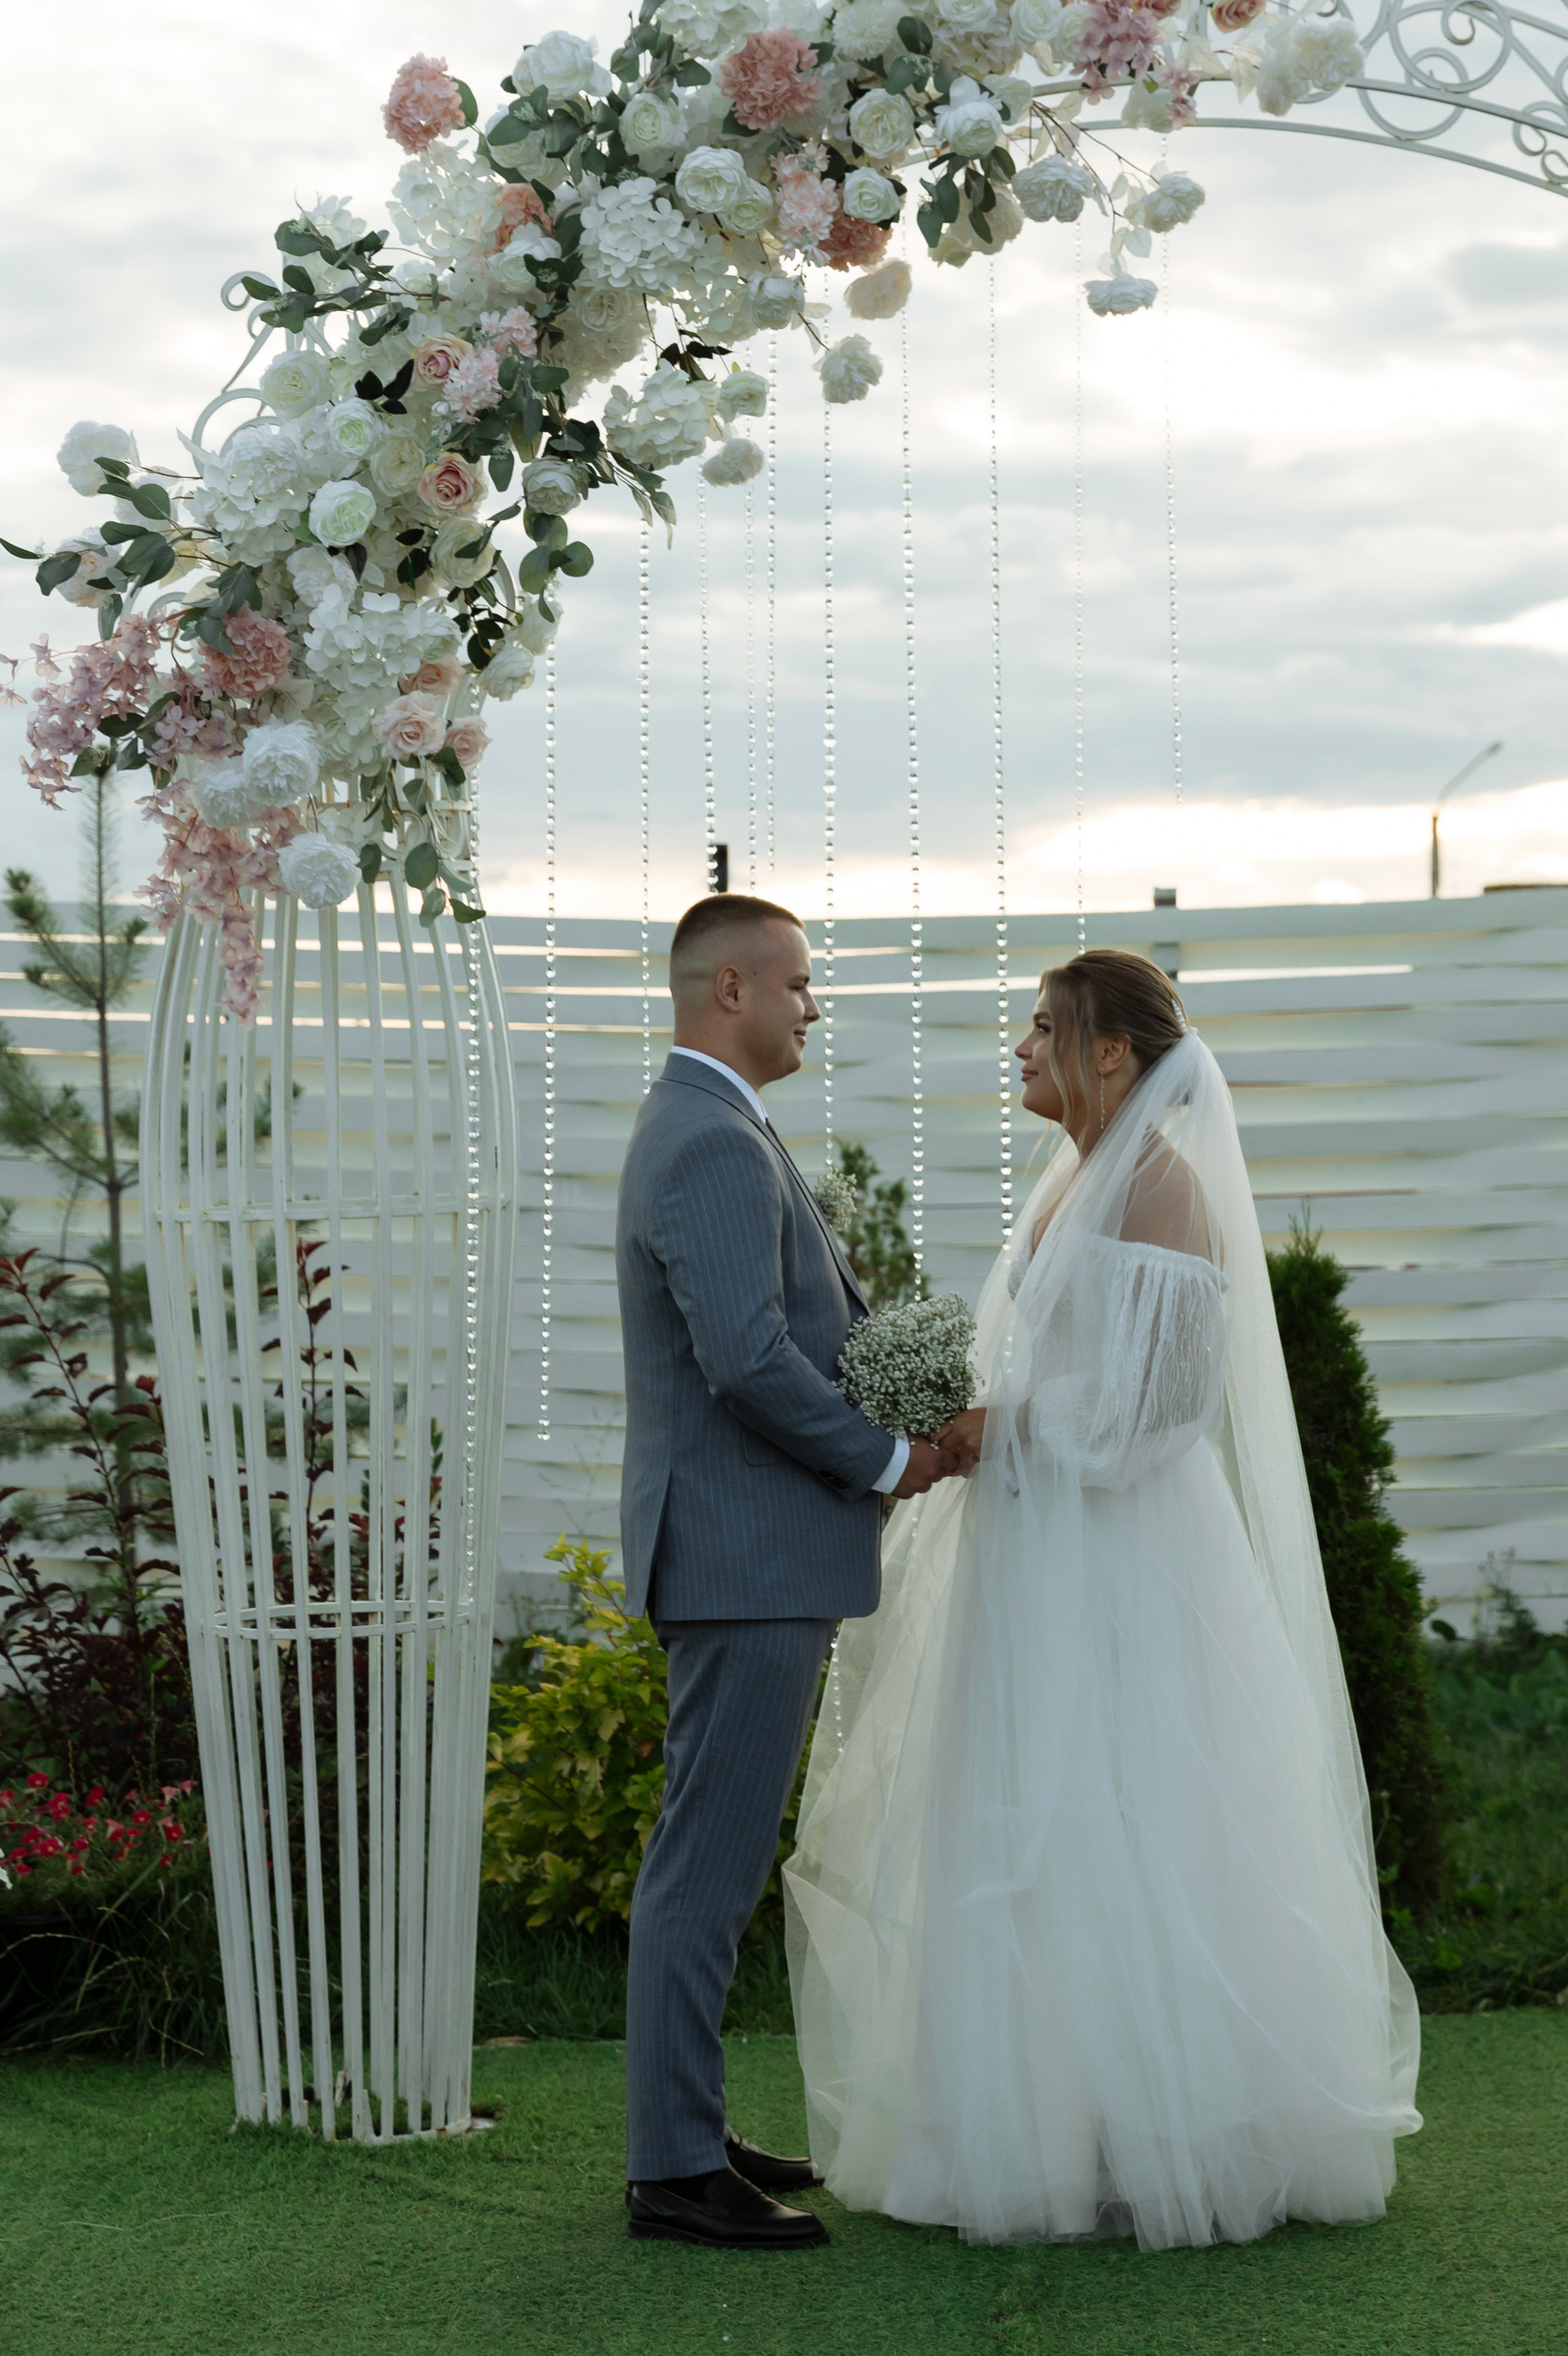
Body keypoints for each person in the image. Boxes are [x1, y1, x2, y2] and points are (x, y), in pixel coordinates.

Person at [785, 948, 1422, 2250]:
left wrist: (1004, 1431)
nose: (1020, 1049)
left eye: (1041, 1029)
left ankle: (1171, 2132)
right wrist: (963, 1422)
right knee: (1024, 1821)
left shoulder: (1165, 1190)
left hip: (1127, 1565)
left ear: (1114, 1053)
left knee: (1133, 1814)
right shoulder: (1072, 1176)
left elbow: (1166, 1408)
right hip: (1033, 1555)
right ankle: (1040, 2127)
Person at [617, 893, 966, 2251]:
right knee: (704, 1868)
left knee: (705, 1860)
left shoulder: (717, 1124)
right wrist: (888, 1458)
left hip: (748, 1554)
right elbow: (749, 1361)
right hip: (744, 1556)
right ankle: (672, 2174)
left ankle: (685, 2131)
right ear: (730, 993)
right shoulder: (707, 1135)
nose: (813, 1006)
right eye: (801, 984)